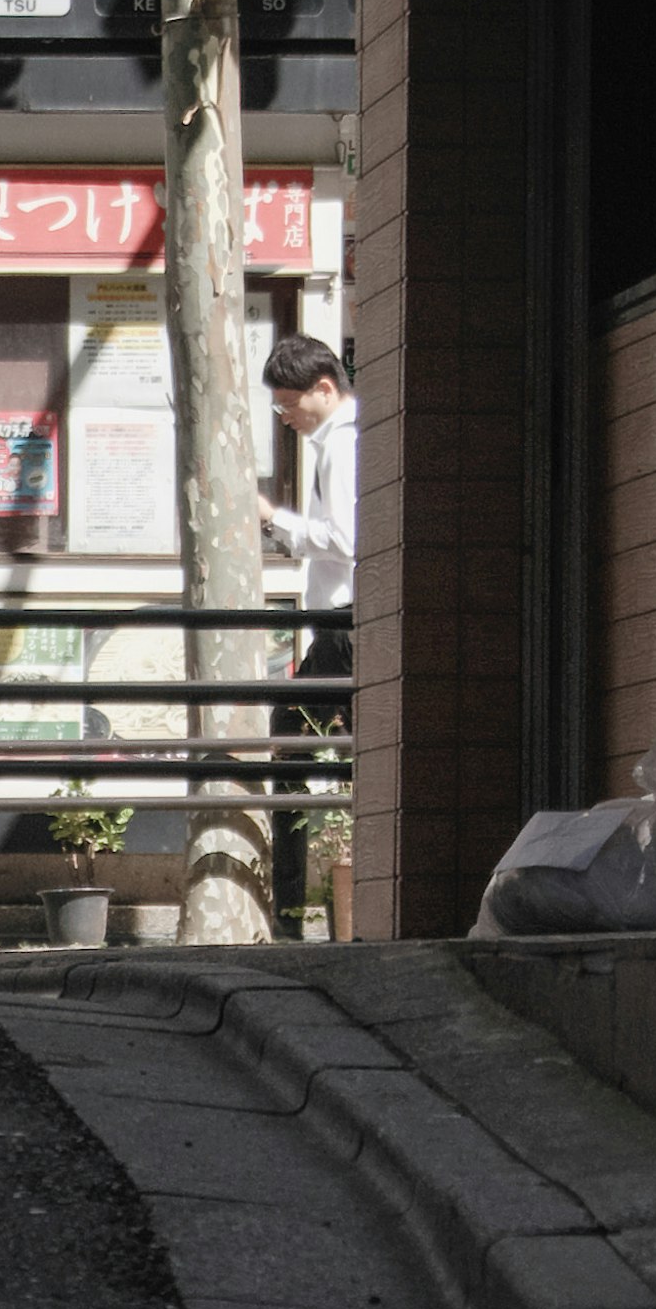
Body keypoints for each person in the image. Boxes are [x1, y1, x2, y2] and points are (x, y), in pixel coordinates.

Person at [260, 323, 356, 925]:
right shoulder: (336, 441)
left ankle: (290, 904)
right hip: (340, 625)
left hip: (347, 625)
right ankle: (294, 902)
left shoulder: (343, 444)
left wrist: (275, 519)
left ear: (323, 389)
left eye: (290, 404)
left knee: (292, 744)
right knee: (302, 743)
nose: (285, 415)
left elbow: (347, 539)